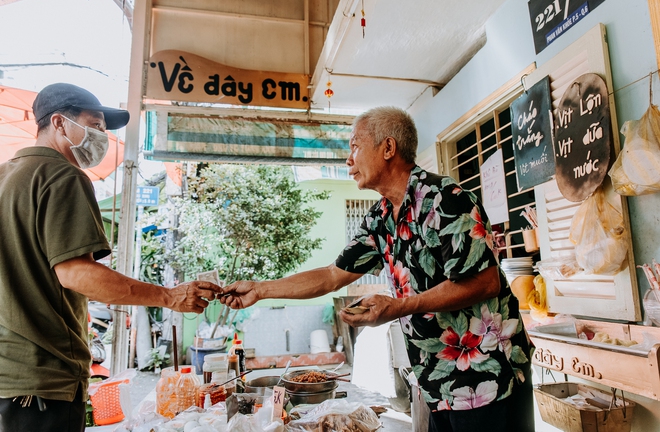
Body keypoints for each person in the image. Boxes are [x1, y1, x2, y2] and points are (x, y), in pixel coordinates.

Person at [220, 106, 534, 431]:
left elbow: (484, 284)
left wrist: (400, 307)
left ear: (388, 148)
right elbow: (332, 275)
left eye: (355, 146)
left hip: (490, 376)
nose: (348, 160)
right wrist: (260, 289)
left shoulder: (447, 199)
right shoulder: (381, 217)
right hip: (436, 381)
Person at [0, 83, 223, 432]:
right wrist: (170, 295)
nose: (101, 136)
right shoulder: (62, 175)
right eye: (95, 124)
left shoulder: (5, 176)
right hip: (42, 376)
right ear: (59, 123)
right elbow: (76, 273)